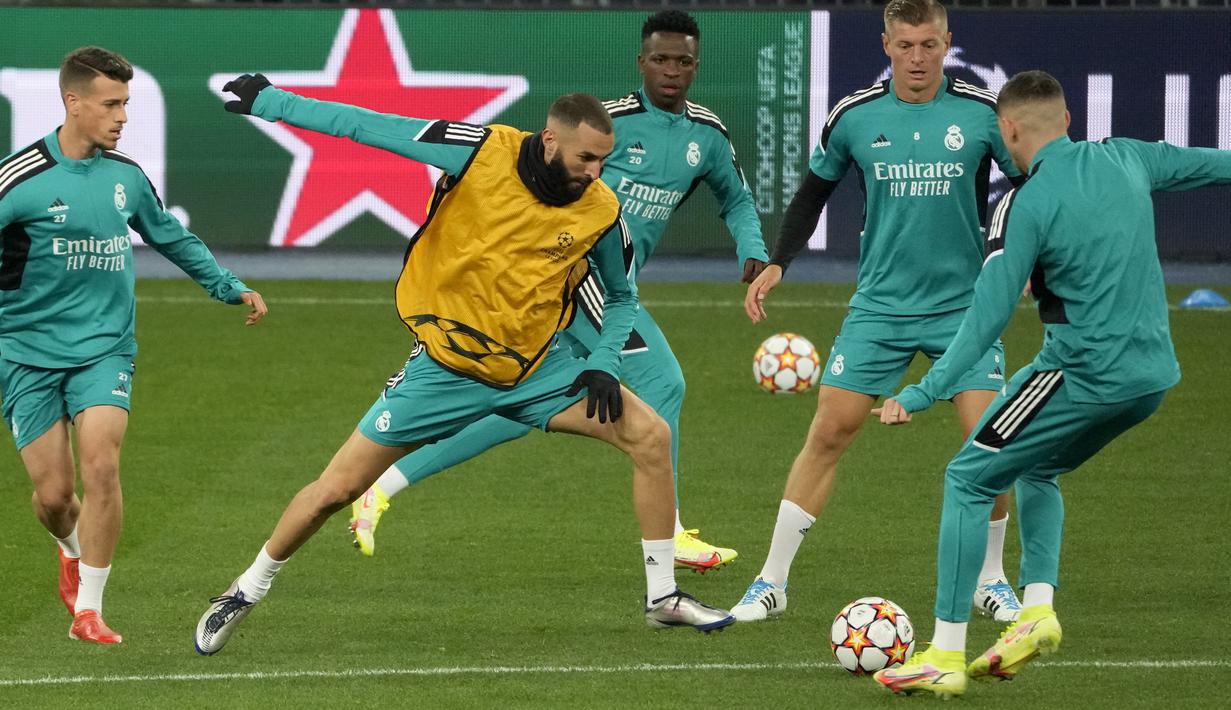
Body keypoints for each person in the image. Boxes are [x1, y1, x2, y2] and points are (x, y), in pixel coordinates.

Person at [194, 76, 734, 655]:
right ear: (549, 140)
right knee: (335, 490)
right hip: (444, 370)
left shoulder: (601, 209)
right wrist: (272, 103)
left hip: (538, 369)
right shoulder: (478, 150)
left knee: (650, 437)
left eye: (604, 160)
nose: (595, 172)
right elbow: (368, 126)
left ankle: (662, 599)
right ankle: (246, 590)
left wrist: (602, 363)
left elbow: (621, 296)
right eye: (585, 158)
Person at [348, 10, 767, 573]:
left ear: (697, 66)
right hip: (571, 283)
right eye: (661, 59)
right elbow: (536, 172)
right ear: (641, 63)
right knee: (663, 378)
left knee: (517, 403)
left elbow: (736, 198)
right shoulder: (610, 127)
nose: (672, 71)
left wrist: (753, 248)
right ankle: (669, 533)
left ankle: (381, 488)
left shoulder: (707, 135)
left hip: (611, 284)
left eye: (684, 61)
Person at [872, 69, 1231, 698]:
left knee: (966, 477)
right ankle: (1036, 611)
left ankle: (944, 654)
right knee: (1036, 467)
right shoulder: (1128, 157)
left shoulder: (1022, 202)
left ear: (1006, 130)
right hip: (1151, 380)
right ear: (1068, 119)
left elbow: (984, 319)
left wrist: (921, 392)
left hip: (1081, 374)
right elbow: (1215, 163)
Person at [733, 0, 1027, 623]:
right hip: (880, 309)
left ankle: (992, 579)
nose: (917, 58)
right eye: (905, 46)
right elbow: (815, 189)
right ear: (886, 45)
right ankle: (772, 581)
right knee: (829, 431)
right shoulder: (855, 116)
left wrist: (1023, 260)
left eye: (929, 45)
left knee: (992, 441)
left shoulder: (982, 115)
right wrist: (781, 259)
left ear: (947, 42)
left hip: (963, 310)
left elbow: (1029, 188)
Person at [0, 46, 267, 645]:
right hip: (24, 352)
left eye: (127, 104)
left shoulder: (126, 176)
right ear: (74, 103)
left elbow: (172, 236)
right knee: (52, 497)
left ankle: (88, 610)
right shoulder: (17, 180)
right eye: (111, 104)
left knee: (102, 463)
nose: (123, 117)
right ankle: (70, 552)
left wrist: (228, 286)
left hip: (104, 349)